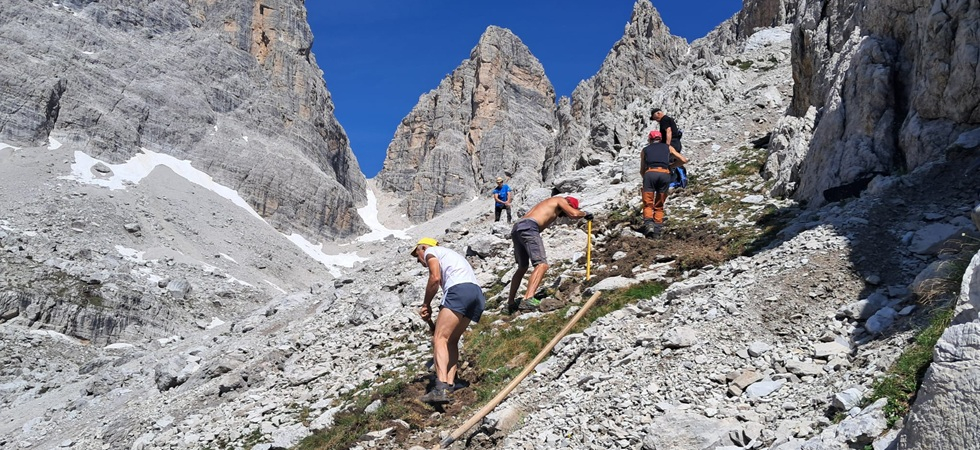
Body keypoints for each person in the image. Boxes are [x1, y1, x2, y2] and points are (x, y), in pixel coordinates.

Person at [411, 237, 486, 404]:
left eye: (417, 255)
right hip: (476, 294)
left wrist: (426, 304)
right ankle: (450, 385)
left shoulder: (431, 252)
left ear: (423, 248)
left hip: (459, 291)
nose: (418, 260)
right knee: (451, 340)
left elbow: (435, 278)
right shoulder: (451, 255)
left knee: (439, 339)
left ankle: (440, 387)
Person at [506, 196, 592, 313]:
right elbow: (574, 214)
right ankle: (528, 298)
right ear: (569, 204)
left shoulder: (548, 204)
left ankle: (511, 303)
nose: (564, 215)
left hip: (518, 228)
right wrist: (585, 213)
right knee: (542, 265)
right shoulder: (560, 200)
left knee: (522, 267)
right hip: (529, 227)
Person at [640, 130, 688, 237]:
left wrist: (646, 179)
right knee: (659, 204)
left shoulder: (645, 150)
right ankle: (657, 230)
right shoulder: (668, 147)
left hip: (650, 174)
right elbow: (683, 160)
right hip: (664, 174)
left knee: (648, 202)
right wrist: (671, 166)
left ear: (650, 139)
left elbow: (642, 170)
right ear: (660, 139)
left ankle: (649, 224)